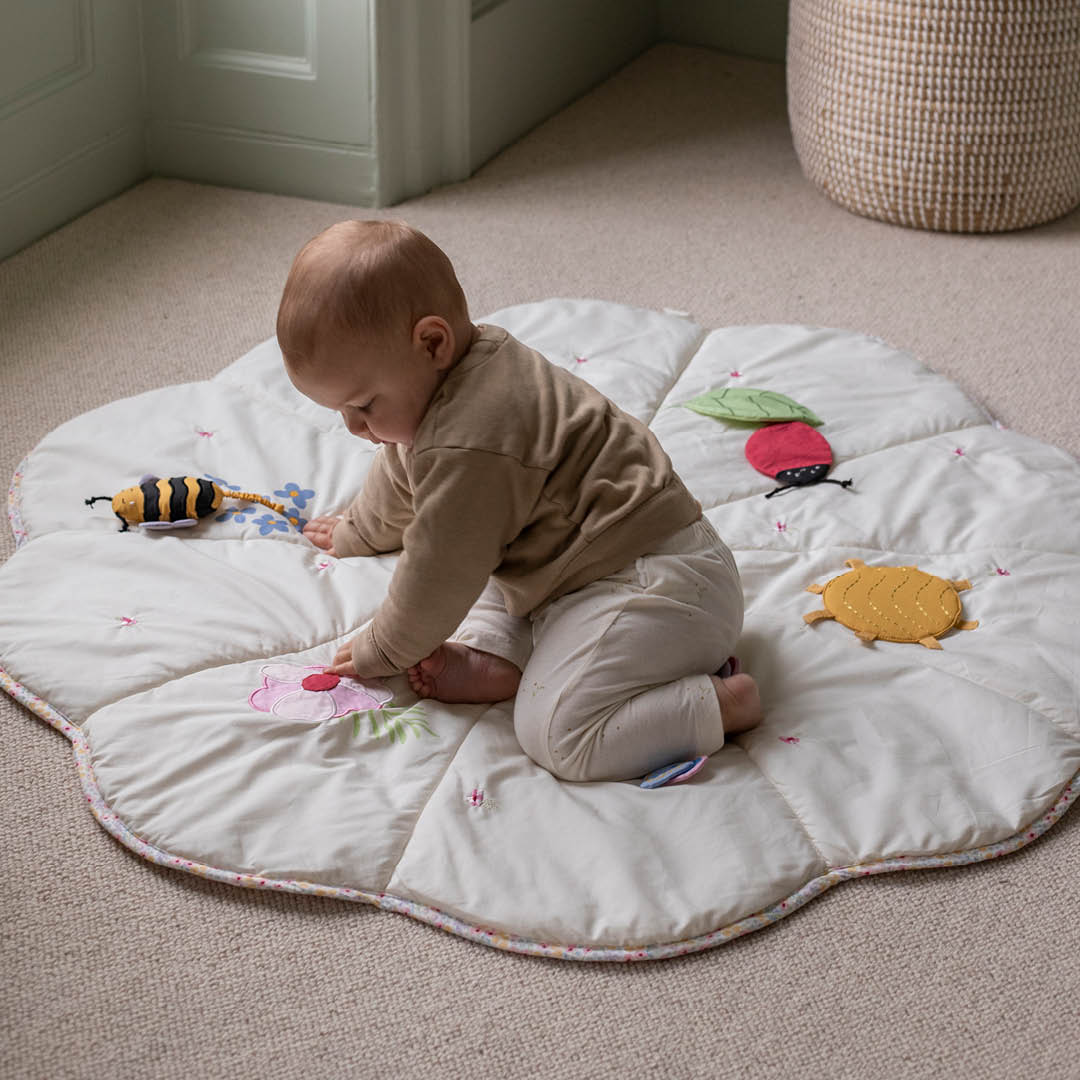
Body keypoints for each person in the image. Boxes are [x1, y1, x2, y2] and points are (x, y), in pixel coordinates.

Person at [276, 219, 761, 782]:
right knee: (491, 568)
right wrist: (359, 531)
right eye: (341, 411)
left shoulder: (472, 441)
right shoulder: (460, 375)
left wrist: (385, 649)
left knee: (556, 733)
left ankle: (718, 705)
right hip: (588, 570)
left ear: (432, 343)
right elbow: (402, 468)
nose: (355, 427)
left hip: (658, 587)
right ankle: (497, 659)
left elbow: (438, 570)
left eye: (362, 405)